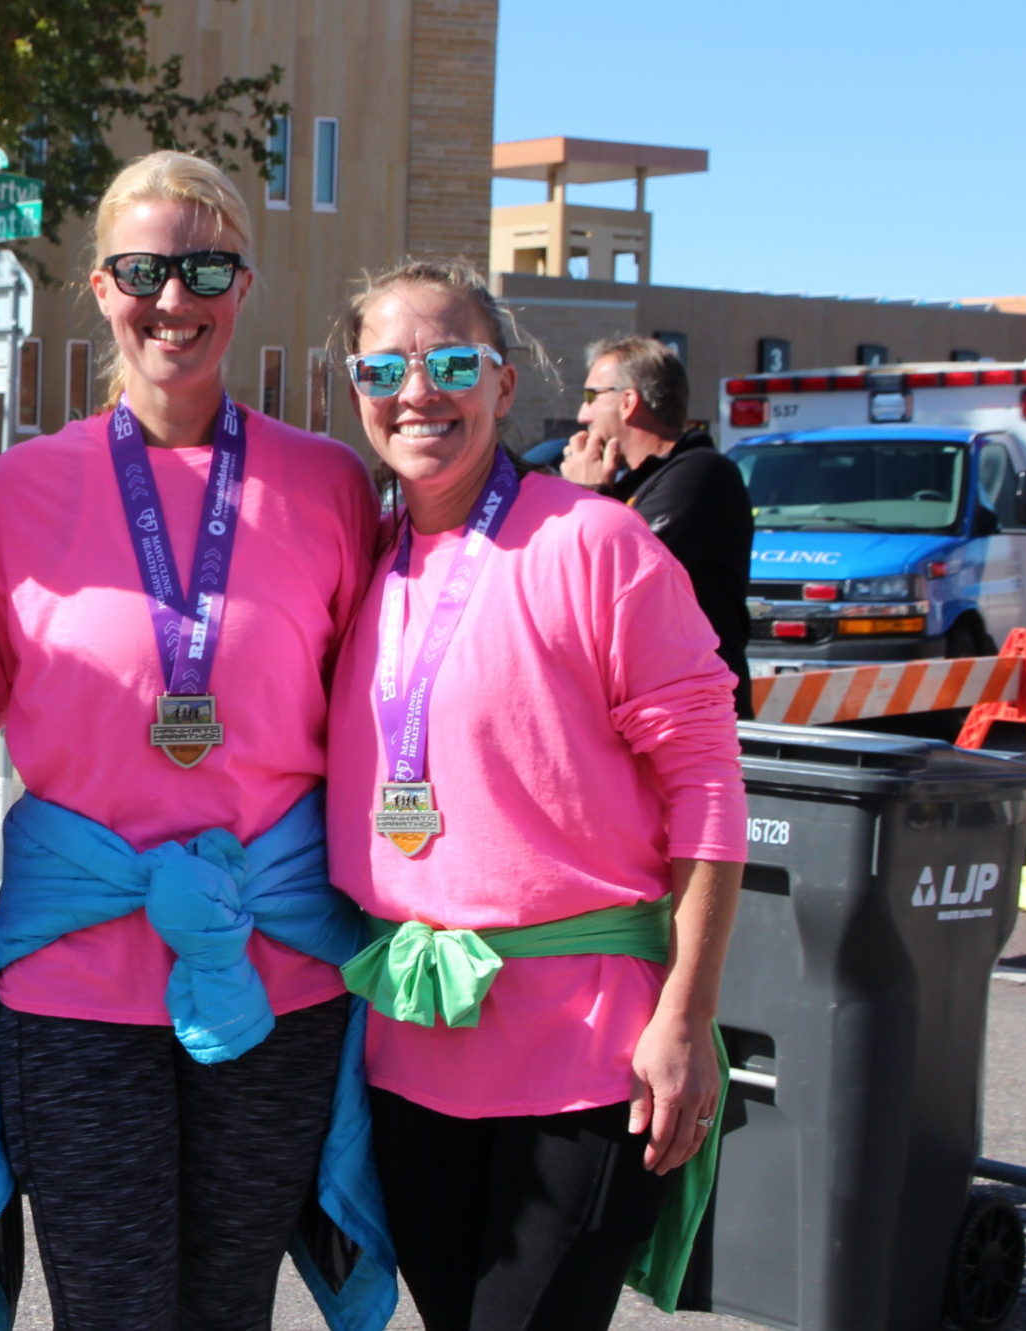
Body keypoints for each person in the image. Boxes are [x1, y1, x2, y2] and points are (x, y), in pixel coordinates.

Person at [0, 149, 395, 1331]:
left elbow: (378, 712)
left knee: (228, 1306)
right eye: (143, 269)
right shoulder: (18, 487)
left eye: (204, 267)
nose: (172, 299)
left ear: (241, 286)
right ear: (98, 286)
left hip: (275, 972)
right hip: (76, 987)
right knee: (109, 1311)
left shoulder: (326, 484)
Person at [327, 259, 746, 1331]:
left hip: (585, 1052)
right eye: (384, 366)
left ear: (503, 385)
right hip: (412, 1042)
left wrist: (687, 1017)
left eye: (449, 361)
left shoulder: (592, 541)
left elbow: (705, 780)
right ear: (356, 390)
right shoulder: (367, 556)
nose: (417, 389)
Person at [559, 334, 754, 713]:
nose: (582, 416)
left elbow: (613, 577)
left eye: (591, 396)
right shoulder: (632, 482)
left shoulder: (702, 473)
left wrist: (585, 490)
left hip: (692, 716)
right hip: (640, 708)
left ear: (628, 402)